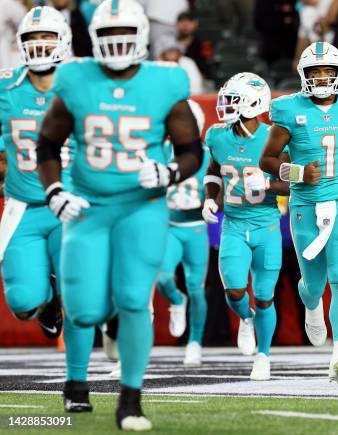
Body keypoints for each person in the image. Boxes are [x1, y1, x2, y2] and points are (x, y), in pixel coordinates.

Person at [35, 0, 202, 430]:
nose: (117, 42)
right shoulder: (74, 77)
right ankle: (95, 337)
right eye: (107, 35)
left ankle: (130, 399)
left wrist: (168, 171)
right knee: (84, 310)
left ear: (144, 34)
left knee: (133, 299)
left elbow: (191, 151)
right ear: (93, 39)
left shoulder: (166, 81)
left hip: (141, 207)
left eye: (124, 32)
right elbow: (48, 144)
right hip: (88, 206)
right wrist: (54, 191)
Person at [260, 41, 338, 383]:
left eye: (327, 70)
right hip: (305, 205)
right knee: (314, 284)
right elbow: (266, 160)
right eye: (315, 71)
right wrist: (296, 173)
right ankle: (312, 306)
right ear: (303, 75)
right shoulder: (287, 110)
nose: (322, 77)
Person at [0, 6, 95, 413]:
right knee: (23, 301)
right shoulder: (5, 88)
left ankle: (76, 384)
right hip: (22, 205)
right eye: (32, 41)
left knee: (82, 299)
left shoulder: (85, 86)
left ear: (65, 42)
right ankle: (47, 303)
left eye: (47, 39)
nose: (39, 47)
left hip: (71, 208)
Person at [202, 72, 288, 381]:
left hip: (266, 225)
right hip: (234, 224)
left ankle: (263, 355)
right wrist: (211, 198)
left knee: (265, 295)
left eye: (233, 100)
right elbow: (213, 171)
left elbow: (295, 184)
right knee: (235, 291)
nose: (226, 106)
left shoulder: (274, 137)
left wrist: (267, 182)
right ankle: (246, 319)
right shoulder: (216, 136)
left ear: (254, 103)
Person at [157, 100, 210, 366]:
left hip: (196, 227)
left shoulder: (207, 155)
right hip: (170, 226)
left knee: (196, 288)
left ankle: (195, 342)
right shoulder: (162, 149)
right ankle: (177, 302)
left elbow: (217, 189)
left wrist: (209, 202)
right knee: (163, 277)